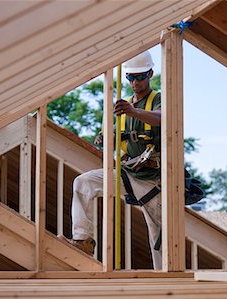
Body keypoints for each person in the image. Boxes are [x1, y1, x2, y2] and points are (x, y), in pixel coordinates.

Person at [59, 51, 163, 270]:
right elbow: (117, 136)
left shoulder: (157, 99)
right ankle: (83, 241)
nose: (135, 83)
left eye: (140, 77)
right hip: (128, 173)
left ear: (150, 74)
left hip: (153, 179)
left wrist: (133, 111)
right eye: (130, 78)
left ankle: (165, 277)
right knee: (83, 182)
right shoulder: (123, 109)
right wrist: (107, 136)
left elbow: (164, 118)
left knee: (160, 235)